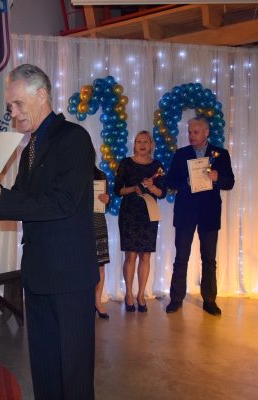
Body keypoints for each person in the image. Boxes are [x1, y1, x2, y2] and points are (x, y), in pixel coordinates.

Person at [0, 64, 98, 400]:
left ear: (42, 95)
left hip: (69, 278)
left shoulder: (74, 139)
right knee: (45, 369)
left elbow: (62, 202)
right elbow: (21, 199)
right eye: (10, 106)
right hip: (37, 274)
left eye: (18, 103)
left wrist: (1, 199)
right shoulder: (31, 147)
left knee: (74, 374)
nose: (13, 112)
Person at [165, 116, 234, 316]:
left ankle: (210, 300)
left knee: (209, 259)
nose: (191, 135)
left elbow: (229, 182)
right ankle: (176, 298)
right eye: (189, 132)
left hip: (209, 213)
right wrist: (186, 182)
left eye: (195, 132)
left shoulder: (221, 154)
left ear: (206, 133)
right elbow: (170, 181)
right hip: (185, 212)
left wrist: (217, 178)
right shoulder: (181, 154)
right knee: (181, 257)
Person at [114, 131, 166, 313]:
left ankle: (141, 294)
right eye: (138, 141)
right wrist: (134, 188)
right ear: (134, 144)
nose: (142, 145)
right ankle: (129, 294)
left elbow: (162, 193)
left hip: (149, 214)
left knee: (146, 256)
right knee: (131, 255)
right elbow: (118, 190)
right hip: (130, 213)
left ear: (151, 144)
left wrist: (152, 187)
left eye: (145, 141)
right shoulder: (126, 163)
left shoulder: (157, 166)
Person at [94, 166, 110, 319]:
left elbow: (106, 204)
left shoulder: (100, 175)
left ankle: (97, 301)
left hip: (98, 223)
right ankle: (83, 302)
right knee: (80, 265)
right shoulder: (71, 173)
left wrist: (106, 200)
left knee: (100, 265)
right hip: (77, 226)